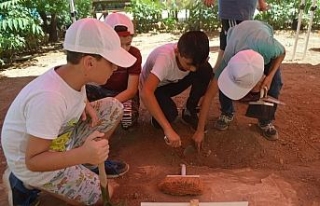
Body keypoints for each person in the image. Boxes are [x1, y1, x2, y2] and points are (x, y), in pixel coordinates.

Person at [1, 18, 136, 206]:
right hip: (33, 161)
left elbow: (74, 94)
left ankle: (85, 163)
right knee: (102, 195)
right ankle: (23, 182)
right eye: (112, 62)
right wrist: (83, 154)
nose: (115, 68)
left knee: (113, 107)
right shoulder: (49, 97)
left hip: (60, 141)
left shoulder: (71, 75)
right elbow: (33, 160)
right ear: (89, 63)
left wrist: (85, 104)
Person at [193, 20, 285, 151]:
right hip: (236, 35)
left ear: (260, 77)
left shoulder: (269, 48)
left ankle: (265, 121)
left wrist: (270, 76)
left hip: (260, 32)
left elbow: (282, 53)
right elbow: (208, 97)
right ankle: (227, 112)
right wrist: (200, 131)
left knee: (275, 84)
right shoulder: (228, 59)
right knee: (226, 82)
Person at [140, 31, 213, 148]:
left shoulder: (193, 59)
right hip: (157, 88)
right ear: (177, 51)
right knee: (170, 115)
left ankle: (189, 110)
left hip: (174, 81)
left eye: (196, 64)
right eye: (188, 64)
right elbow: (146, 93)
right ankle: (157, 120)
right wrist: (168, 129)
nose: (193, 69)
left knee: (205, 70)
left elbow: (197, 69)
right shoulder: (165, 59)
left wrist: (200, 129)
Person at [86, 12, 142, 130]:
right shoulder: (98, 55)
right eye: (118, 44)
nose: (124, 49)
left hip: (125, 95)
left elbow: (131, 90)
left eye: (128, 44)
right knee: (81, 96)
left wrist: (107, 105)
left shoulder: (134, 54)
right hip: (103, 91)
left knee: (127, 118)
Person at [203, 0, 269, 71]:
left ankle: (214, 75)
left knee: (227, 47)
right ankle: (220, 76)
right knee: (236, 49)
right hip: (234, 11)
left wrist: (261, 2)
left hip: (245, 11)